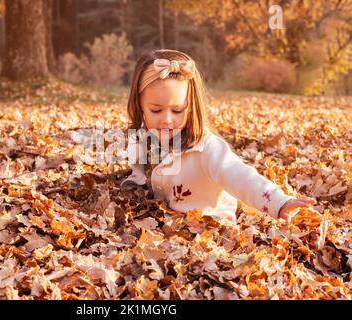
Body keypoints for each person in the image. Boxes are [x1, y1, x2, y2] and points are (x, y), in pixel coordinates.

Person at [121, 49, 316, 222]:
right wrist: (136, 179)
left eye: (178, 110)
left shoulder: (206, 148)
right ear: (140, 106)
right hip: (168, 225)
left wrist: (279, 203)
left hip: (211, 228)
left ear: (191, 107)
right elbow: (140, 166)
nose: (167, 120)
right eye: (156, 110)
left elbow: (240, 176)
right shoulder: (144, 137)